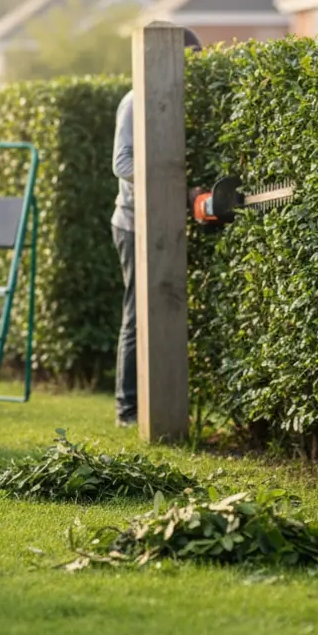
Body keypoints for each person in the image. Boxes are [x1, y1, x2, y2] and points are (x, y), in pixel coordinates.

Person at [111, 26, 203, 427]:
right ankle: (127, 409)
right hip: (133, 223)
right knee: (136, 315)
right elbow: (122, 163)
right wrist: (169, 184)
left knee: (169, 307)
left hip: (169, 223)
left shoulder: (184, 99)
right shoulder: (135, 101)